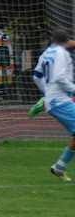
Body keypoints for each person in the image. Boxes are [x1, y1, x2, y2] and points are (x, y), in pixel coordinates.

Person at [33, 28, 75, 181]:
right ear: (67, 41)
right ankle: (60, 166)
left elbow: (36, 76)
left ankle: (60, 166)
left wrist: (47, 92)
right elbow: (59, 76)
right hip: (60, 99)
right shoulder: (62, 53)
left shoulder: (46, 53)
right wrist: (72, 89)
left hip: (54, 99)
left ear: (52, 40)